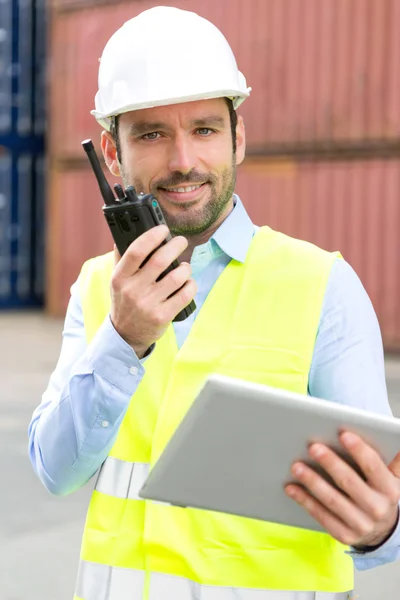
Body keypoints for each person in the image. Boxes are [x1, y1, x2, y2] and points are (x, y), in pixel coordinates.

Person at [29, 6, 400, 600]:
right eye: (152, 134)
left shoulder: (323, 286)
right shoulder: (98, 288)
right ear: (113, 153)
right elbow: (55, 470)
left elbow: (382, 505)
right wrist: (122, 340)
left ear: (238, 137)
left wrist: (384, 526)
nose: (183, 161)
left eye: (204, 129)